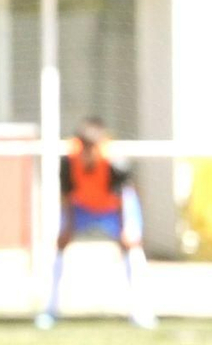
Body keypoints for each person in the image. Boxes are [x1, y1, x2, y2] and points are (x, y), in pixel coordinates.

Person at [37, 116, 155, 329]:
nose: (88, 152)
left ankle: (141, 312)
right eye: (85, 146)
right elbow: (67, 195)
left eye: (93, 146)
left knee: (132, 246)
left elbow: (125, 196)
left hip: (112, 208)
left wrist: (127, 228)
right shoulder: (68, 161)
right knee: (59, 244)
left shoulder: (114, 162)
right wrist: (67, 226)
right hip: (81, 207)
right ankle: (49, 310)